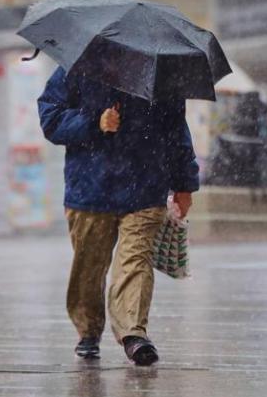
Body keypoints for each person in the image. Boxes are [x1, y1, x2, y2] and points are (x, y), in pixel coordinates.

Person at [37, 66, 199, 366]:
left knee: (135, 261)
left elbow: (176, 130)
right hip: (90, 191)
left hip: (145, 189)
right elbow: (51, 118)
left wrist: (184, 184)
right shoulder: (75, 69)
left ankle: (133, 334)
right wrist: (93, 122)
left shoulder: (160, 75)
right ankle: (88, 331)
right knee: (89, 267)